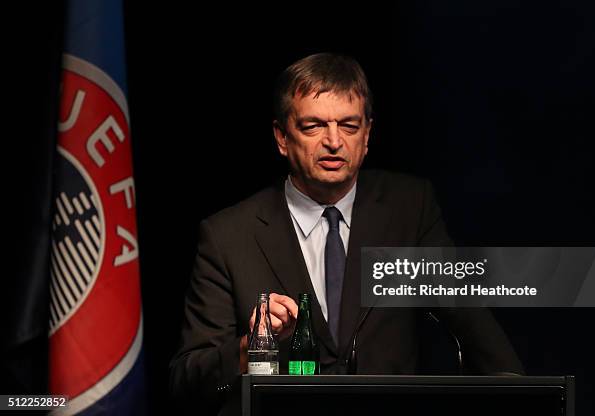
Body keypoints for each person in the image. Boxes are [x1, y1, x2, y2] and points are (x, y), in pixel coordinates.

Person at [169, 53, 524, 414]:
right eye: (313, 126)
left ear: (367, 135)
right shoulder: (229, 235)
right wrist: (251, 347)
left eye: (349, 126)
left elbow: (475, 326)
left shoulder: (409, 209)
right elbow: (188, 380)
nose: (334, 141)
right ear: (281, 136)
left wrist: (523, 398)